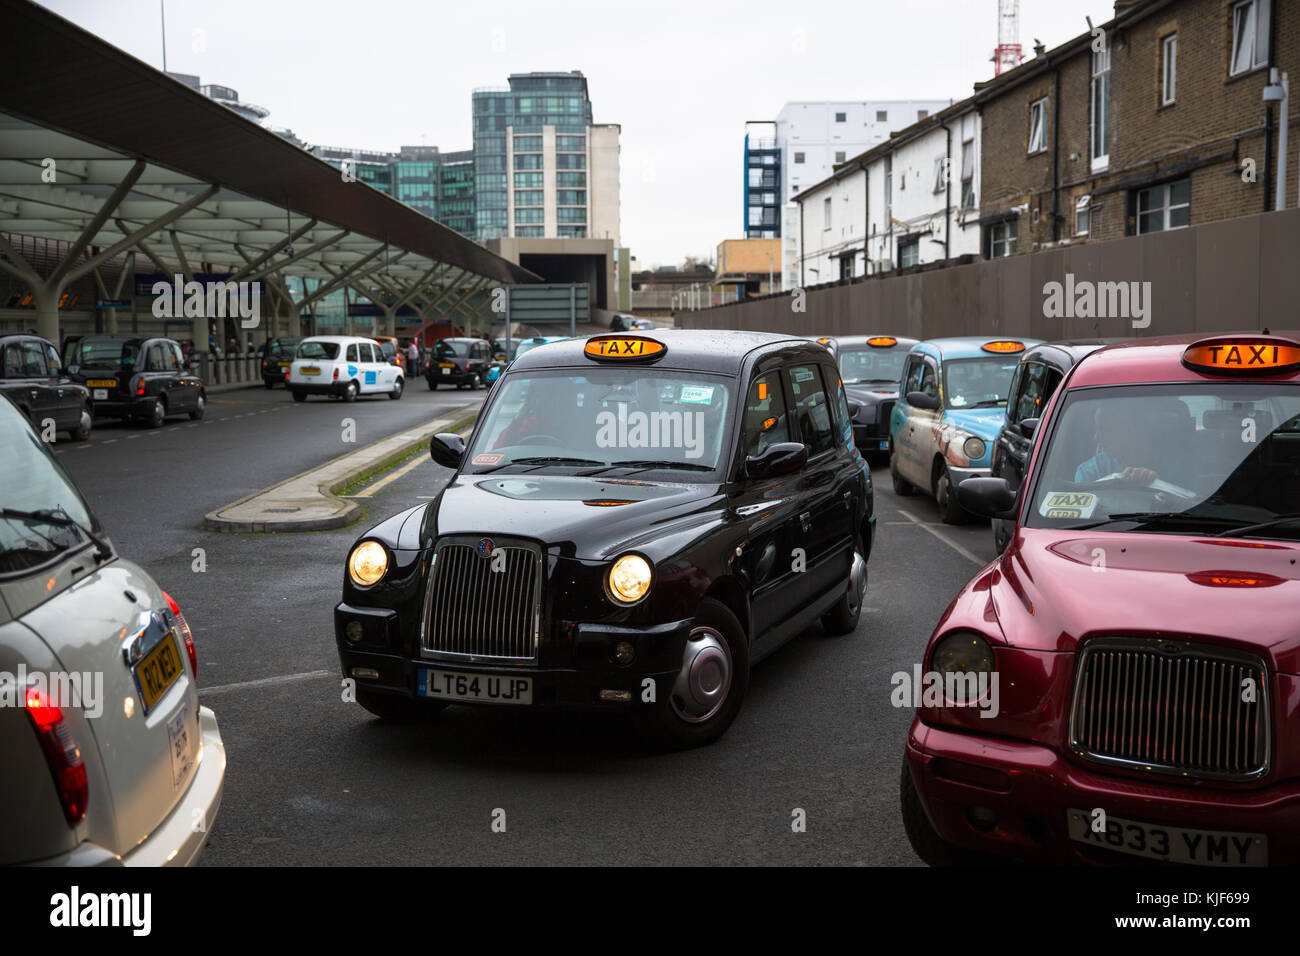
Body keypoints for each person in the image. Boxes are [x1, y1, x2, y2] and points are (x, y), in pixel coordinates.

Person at [1075, 403, 1158, 485]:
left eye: (1105, 429)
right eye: (1097, 428)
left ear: (1130, 431)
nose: (1096, 437)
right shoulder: (1090, 472)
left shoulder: (1167, 467)